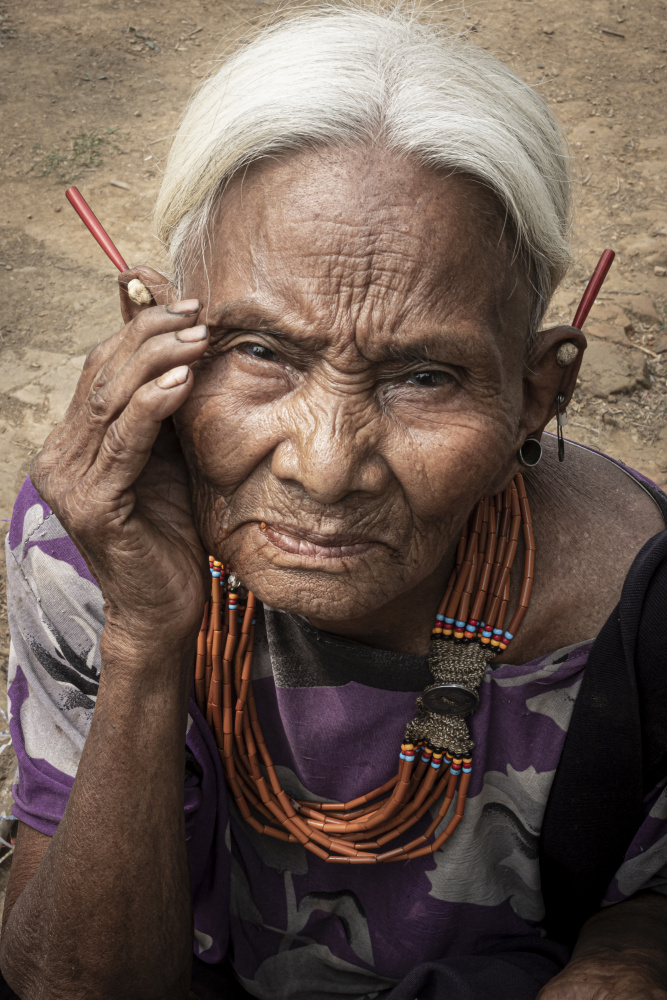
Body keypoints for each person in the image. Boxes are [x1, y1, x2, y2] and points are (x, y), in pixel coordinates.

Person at [2, 6, 667, 999]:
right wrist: (145, 637)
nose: (324, 466)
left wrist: (626, 955)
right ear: (156, 338)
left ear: (536, 393)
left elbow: (646, 887)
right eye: (260, 351)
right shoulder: (97, 537)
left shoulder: (638, 598)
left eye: (424, 377)